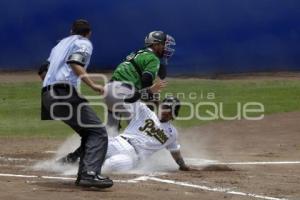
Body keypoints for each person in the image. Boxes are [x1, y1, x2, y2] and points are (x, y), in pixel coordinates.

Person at [41, 19, 113, 188]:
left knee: (89, 133)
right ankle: (89, 174)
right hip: (62, 93)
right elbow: (75, 63)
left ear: (71, 31)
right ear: (89, 33)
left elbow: (42, 71)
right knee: (98, 132)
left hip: (47, 96)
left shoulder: (59, 45)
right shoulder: (83, 43)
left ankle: (82, 172)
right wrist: (93, 84)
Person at [59, 96, 191, 172]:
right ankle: (70, 159)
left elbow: (175, 152)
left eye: (169, 109)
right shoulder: (145, 111)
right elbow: (130, 98)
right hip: (119, 142)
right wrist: (148, 93)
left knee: (111, 166)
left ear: (174, 113)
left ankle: (85, 171)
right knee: (96, 141)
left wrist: (182, 165)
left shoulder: (172, 133)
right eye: (165, 106)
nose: (165, 110)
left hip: (133, 157)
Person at [104, 31, 176, 133]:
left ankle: (102, 146)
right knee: (140, 131)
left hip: (109, 89)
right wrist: (157, 106)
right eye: (164, 44)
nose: (166, 47)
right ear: (156, 45)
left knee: (111, 130)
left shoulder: (140, 52)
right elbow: (146, 81)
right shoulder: (153, 58)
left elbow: (161, 74)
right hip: (124, 91)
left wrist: (163, 60)